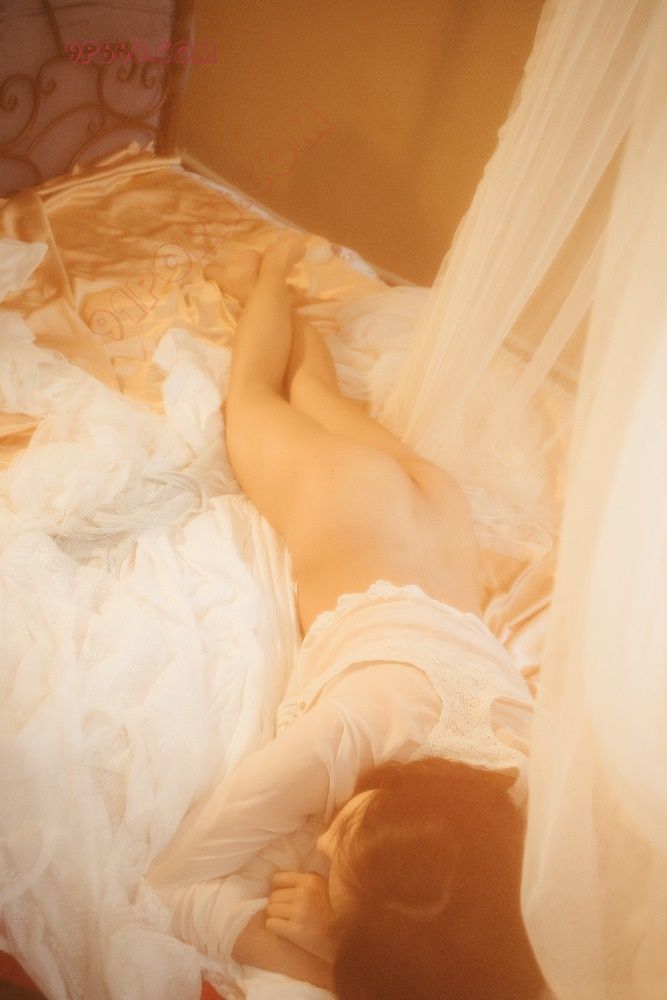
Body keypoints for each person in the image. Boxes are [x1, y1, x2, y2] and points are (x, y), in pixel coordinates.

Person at [145, 233, 545, 998]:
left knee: (316, 399)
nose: (322, 842)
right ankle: (265, 272)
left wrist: (348, 926)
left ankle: (273, 286)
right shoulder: (351, 730)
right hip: (353, 515)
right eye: (342, 850)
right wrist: (332, 957)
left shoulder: (516, 809)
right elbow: (175, 883)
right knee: (253, 397)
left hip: (441, 526)